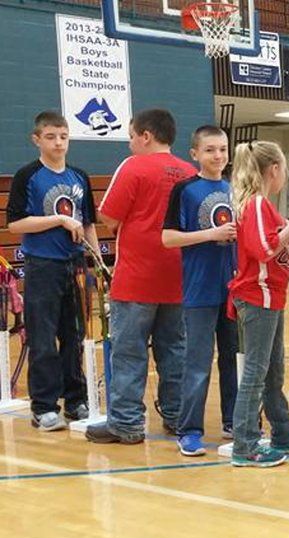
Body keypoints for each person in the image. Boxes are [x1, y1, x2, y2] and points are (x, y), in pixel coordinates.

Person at [86, 109, 196, 444]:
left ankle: (127, 424)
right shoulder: (191, 172)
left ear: (145, 135)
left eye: (132, 136)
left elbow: (109, 218)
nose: (131, 143)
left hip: (136, 278)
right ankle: (178, 417)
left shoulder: (132, 166)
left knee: (128, 351)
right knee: (175, 351)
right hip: (179, 278)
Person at [227, 140, 289, 467]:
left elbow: (278, 256)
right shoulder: (254, 205)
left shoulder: (264, 207)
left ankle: (283, 433)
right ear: (275, 170)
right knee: (256, 371)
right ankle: (245, 443)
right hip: (257, 297)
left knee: (273, 371)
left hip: (271, 295)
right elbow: (265, 249)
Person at [7, 111, 100, 430]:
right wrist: (59, 220)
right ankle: (44, 406)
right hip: (42, 266)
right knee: (43, 337)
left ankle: (76, 400)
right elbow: (15, 223)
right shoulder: (27, 176)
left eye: (63, 136)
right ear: (37, 139)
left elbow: (87, 222)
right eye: (50, 137)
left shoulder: (79, 176)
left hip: (74, 266)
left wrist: (95, 265)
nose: (58, 142)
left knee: (73, 336)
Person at [162, 126, 237, 456]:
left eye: (222, 149)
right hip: (199, 290)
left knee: (234, 360)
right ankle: (189, 429)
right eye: (210, 150)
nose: (218, 156)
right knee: (197, 363)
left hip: (235, 289)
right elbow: (168, 238)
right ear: (195, 154)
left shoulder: (236, 188)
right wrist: (211, 234)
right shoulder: (185, 190)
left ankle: (235, 421)